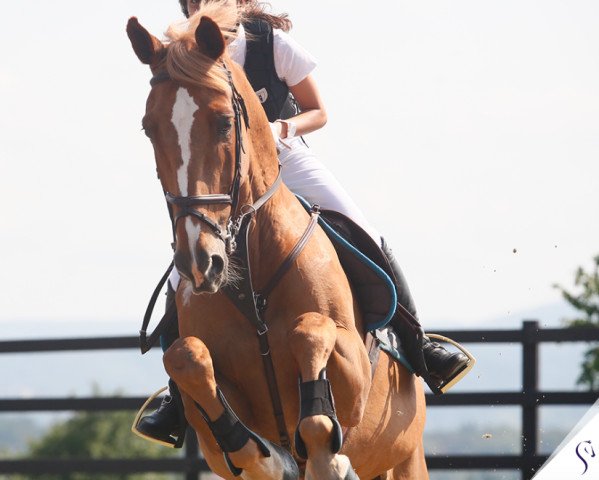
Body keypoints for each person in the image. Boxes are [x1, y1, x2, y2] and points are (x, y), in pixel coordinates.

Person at [135, 0, 470, 447]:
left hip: (283, 160)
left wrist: (280, 130)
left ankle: (418, 343)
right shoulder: (178, 52)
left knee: (356, 223)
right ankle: (179, 396)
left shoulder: (269, 43)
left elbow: (319, 110)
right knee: (184, 272)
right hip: (219, 175)